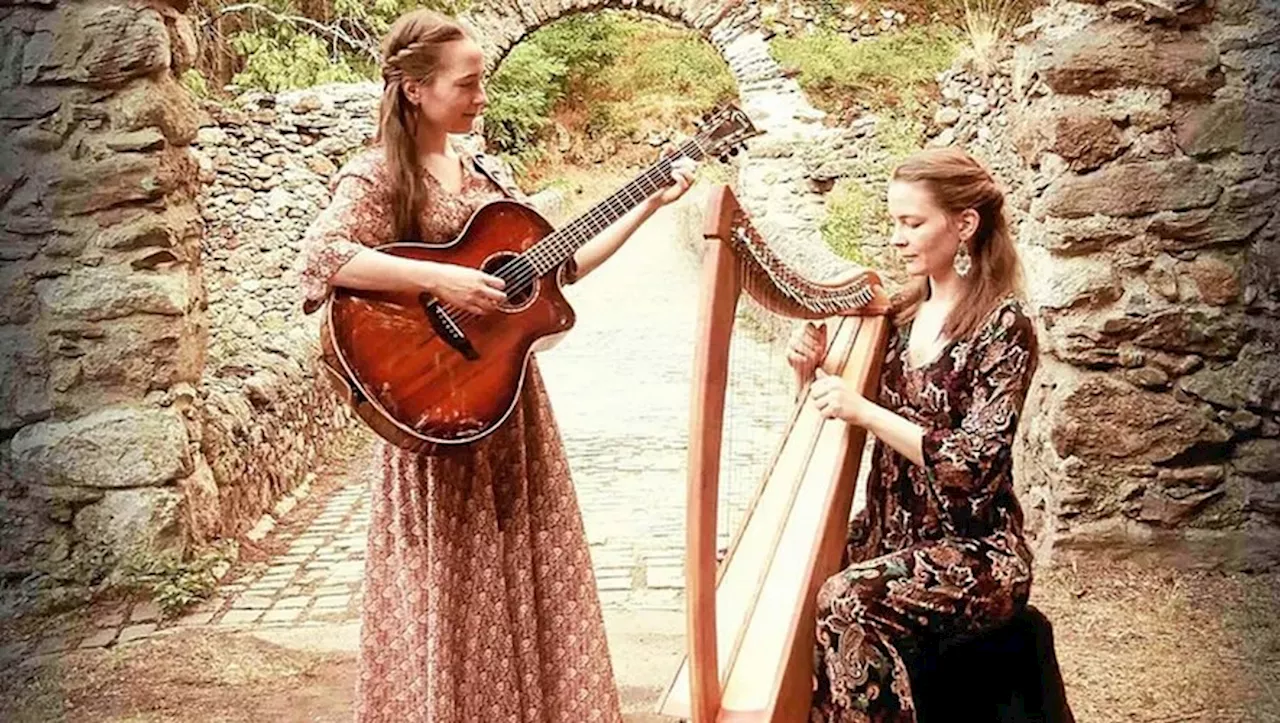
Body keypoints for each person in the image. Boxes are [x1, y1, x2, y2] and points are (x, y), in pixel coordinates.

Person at [296, 9, 696, 722]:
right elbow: (322, 257)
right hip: (436, 407)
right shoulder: (379, 173)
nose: (482, 97)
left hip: (506, 402)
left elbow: (561, 266)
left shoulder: (484, 171)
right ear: (415, 90)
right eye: (468, 84)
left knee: (524, 564)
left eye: (483, 82)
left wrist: (650, 204)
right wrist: (440, 282)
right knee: (454, 577)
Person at [789, 147, 1038, 723]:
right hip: (888, 532)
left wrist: (867, 412)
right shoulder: (898, 317)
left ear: (964, 224)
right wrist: (811, 372)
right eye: (893, 223)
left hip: (974, 552)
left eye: (913, 222)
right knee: (784, 594)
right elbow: (841, 410)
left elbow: (975, 465)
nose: (898, 238)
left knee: (846, 600)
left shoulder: (1003, 326)